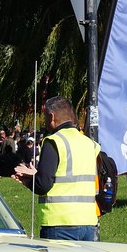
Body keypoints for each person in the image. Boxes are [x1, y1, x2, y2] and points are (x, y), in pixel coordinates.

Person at [13, 96, 99, 241]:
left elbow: (43, 185)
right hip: (89, 222)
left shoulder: (54, 141)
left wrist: (27, 180)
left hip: (60, 223)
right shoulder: (90, 143)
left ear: (51, 116)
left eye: (45, 117)